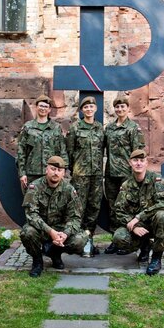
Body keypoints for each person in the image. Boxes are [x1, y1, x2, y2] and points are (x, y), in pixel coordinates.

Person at [20, 156, 89, 277]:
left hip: (61, 231)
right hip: (41, 229)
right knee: (27, 233)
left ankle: (54, 253)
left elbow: (75, 217)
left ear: (63, 173)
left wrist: (65, 234)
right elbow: (31, 215)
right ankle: (37, 261)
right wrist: (50, 231)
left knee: (80, 240)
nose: (55, 173)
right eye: (53, 169)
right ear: (46, 170)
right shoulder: (35, 187)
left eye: (59, 170)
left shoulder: (69, 190)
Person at [112, 149, 164, 276]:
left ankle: (156, 257)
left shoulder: (157, 180)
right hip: (138, 227)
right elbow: (119, 210)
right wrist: (133, 226)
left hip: (154, 224)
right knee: (119, 238)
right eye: (135, 160)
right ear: (130, 163)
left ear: (146, 163)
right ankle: (144, 246)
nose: (138, 163)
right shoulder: (126, 185)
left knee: (163, 216)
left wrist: (138, 217)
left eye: (141, 160)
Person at [104, 96, 145, 254]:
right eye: (117, 107)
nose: (119, 110)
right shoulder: (109, 128)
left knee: (127, 206)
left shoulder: (133, 128)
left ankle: (128, 241)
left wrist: (136, 172)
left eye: (122, 107)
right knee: (113, 206)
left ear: (128, 108)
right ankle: (116, 239)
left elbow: (138, 152)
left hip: (127, 174)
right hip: (110, 173)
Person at [66, 96, 104, 257]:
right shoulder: (75, 128)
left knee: (94, 208)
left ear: (95, 109)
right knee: (78, 208)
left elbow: (102, 150)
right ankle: (78, 241)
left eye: (91, 107)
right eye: (86, 107)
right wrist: (75, 169)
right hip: (80, 175)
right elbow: (69, 151)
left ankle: (89, 240)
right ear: (82, 110)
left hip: (96, 175)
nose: (89, 109)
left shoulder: (100, 128)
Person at [16, 94, 69, 193]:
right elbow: (21, 152)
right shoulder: (28, 127)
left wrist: (62, 171)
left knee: (51, 204)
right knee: (31, 204)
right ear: (36, 107)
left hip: (52, 173)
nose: (43, 108)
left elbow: (62, 150)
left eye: (46, 106)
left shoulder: (56, 128)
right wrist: (22, 173)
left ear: (49, 110)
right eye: (41, 106)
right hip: (32, 173)